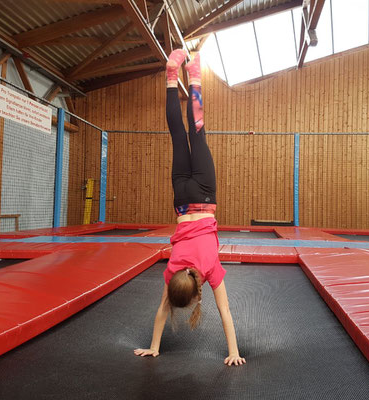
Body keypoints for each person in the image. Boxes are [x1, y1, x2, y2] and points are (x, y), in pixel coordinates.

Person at [134, 49, 246, 367]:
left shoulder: (208, 269)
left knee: (196, 130)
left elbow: (225, 312)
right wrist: (153, 345)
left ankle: (194, 74)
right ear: (173, 286)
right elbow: (161, 313)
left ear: (197, 293)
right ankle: (173, 76)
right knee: (176, 134)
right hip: (181, 199)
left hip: (205, 197)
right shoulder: (172, 271)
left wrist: (233, 352)